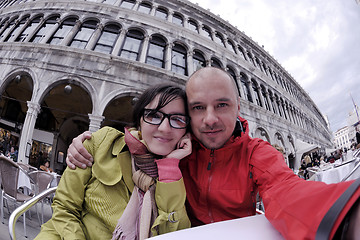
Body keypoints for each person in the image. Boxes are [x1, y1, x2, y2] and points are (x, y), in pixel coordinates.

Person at [66, 67, 360, 240]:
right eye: (198, 108)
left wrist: (345, 214)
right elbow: (139, 137)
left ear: (237, 109)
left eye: (221, 105)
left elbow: (286, 191)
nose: (209, 119)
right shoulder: (178, 146)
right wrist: (86, 141)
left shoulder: (256, 153)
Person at [36, 84, 192, 239]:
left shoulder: (182, 173)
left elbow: (175, 234)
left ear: (186, 132)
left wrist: (169, 167)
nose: (164, 128)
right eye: (154, 115)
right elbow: (65, 208)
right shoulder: (101, 142)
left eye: (177, 119)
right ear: (139, 122)